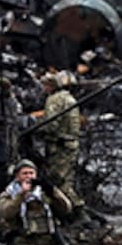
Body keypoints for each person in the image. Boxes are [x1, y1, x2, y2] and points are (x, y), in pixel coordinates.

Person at [36, 71, 85, 221]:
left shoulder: (54, 100)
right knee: (64, 180)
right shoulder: (68, 98)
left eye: (43, 85)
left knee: (58, 181)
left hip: (60, 146)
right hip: (70, 144)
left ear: (49, 86)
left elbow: (51, 124)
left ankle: (77, 212)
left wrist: (37, 128)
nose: (42, 89)